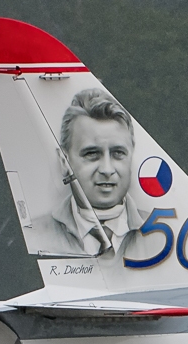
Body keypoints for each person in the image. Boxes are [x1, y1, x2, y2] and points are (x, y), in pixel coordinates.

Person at [41, 88, 145, 257]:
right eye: (91, 154)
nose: (107, 170)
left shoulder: (162, 232)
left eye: (118, 153)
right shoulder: (40, 235)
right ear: (64, 160)